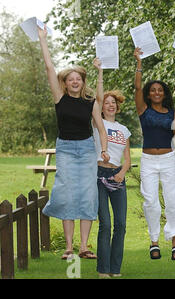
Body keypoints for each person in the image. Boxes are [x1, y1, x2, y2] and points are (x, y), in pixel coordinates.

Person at [37, 26, 110, 260]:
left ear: (82, 82)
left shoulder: (90, 102)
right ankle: (69, 248)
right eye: (71, 79)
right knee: (68, 195)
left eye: (79, 79)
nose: (75, 82)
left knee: (88, 195)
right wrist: (43, 40)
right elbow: (49, 67)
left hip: (87, 150)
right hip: (67, 149)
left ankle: (84, 247)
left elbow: (100, 128)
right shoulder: (59, 99)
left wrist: (105, 150)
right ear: (65, 83)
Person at [133, 47, 175, 261]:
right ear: (149, 93)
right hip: (148, 160)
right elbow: (137, 87)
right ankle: (154, 241)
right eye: (153, 90)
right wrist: (139, 62)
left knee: (173, 200)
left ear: (164, 94)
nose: (156, 92)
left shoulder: (172, 113)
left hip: (167, 160)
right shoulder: (142, 109)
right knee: (150, 202)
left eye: (160, 90)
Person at [92, 59, 131, 278]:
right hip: (99, 175)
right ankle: (103, 270)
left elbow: (127, 158)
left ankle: (115, 270)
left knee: (121, 225)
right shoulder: (99, 123)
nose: (110, 105)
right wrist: (100, 72)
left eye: (113, 102)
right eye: (106, 102)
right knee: (105, 224)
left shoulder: (123, 129)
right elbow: (97, 98)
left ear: (117, 106)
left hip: (117, 177)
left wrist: (122, 173)